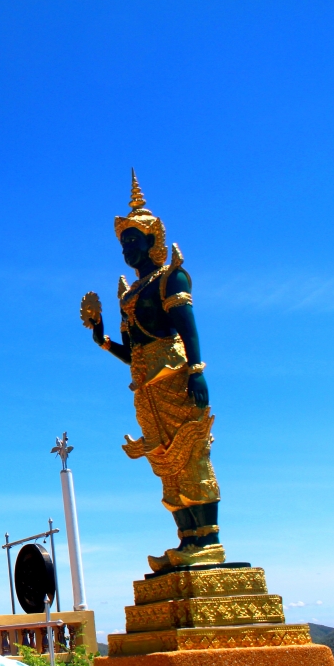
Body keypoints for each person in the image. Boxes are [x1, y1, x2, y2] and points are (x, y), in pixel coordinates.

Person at [82, 172, 223, 572]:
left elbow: (186, 327)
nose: (128, 249)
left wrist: (196, 369)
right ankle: (187, 539)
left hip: (175, 374)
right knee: (164, 461)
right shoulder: (129, 293)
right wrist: (103, 339)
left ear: (152, 240)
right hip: (146, 386)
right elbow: (134, 353)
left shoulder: (170, 278)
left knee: (191, 452)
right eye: (123, 243)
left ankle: (209, 541)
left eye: (134, 240)